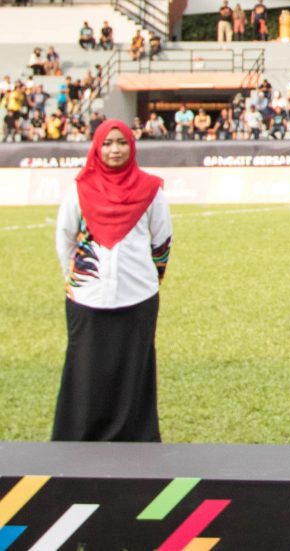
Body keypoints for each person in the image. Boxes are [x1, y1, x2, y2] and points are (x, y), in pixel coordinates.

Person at [52, 121, 171, 442]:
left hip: (138, 297)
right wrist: (78, 280)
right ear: (97, 147)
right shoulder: (80, 189)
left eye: (121, 142)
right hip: (87, 298)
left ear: (132, 145)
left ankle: (135, 440)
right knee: (85, 370)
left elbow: (161, 242)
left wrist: (148, 279)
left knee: (134, 370)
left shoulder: (151, 190)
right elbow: (65, 239)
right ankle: (79, 439)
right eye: (107, 143)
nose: (115, 150)